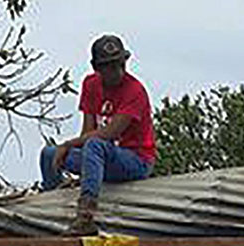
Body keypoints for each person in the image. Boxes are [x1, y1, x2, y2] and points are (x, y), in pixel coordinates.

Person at [39, 34, 156, 234]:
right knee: (49, 154)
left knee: (94, 144)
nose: (118, 71)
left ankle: (86, 215)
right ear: (97, 68)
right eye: (110, 67)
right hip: (101, 156)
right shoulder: (90, 84)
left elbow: (110, 132)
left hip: (136, 161)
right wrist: (82, 163)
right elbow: (88, 130)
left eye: (120, 64)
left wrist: (68, 144)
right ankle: (49, 208)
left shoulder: (135, 91)